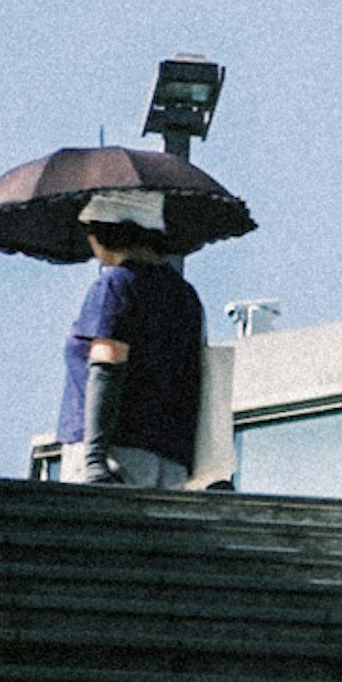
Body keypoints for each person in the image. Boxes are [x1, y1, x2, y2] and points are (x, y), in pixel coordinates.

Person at [56, 188, 206, 487]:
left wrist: (94, 458)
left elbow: (107, 366)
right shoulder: (185, 295)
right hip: (170, 462)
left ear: (104, 231)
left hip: (117, 457)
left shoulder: (115, 285)